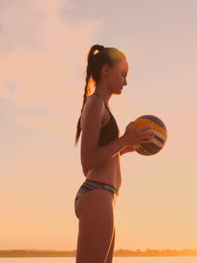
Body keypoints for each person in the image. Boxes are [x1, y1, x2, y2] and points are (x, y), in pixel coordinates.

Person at [73, 44, 155, 263]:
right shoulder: (95, 105)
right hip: (97, 193)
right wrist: (124, 140)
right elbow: (87, 161)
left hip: (105, 195)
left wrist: (125, 148)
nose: (126, 81)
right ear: (106, 71)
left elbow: (99, 156)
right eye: (123, 74)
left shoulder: (103, 107)